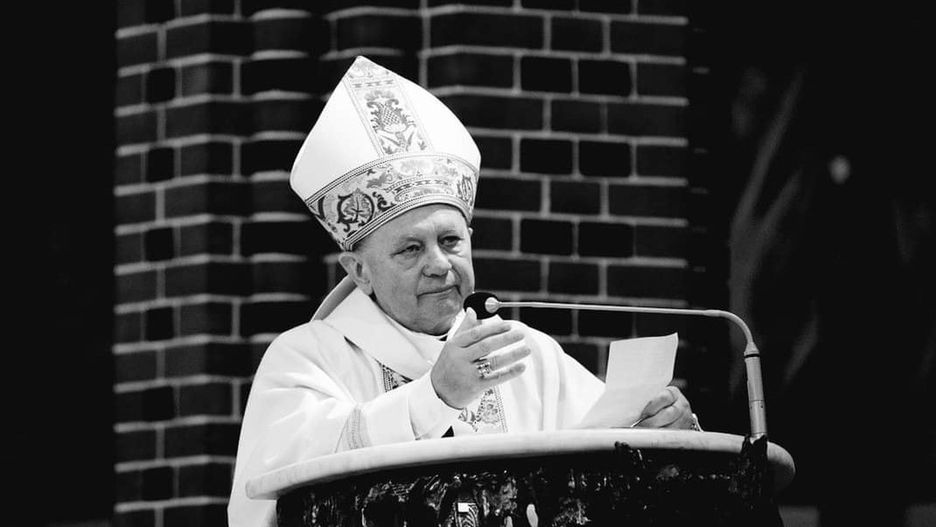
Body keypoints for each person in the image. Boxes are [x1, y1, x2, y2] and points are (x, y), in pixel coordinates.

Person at [228, 56, 698, 526]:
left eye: (451, 241)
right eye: (411, 249)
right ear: (359, 271)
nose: (439, 265)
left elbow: (607, 460)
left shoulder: (524, 354)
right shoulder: (308, 360)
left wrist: (663, 431)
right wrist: (435, 395)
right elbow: (281, 490)